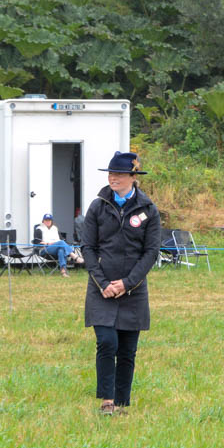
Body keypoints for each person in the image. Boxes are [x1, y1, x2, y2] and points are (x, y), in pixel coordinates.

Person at [81, 151, 162, 415]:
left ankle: (122, 403)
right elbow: (88, 247)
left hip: (133, 290)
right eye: (110, 173)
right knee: (107, 342)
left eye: (118, 174)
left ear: (133, 177)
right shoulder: (98, 206)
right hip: (101, 289)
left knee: (127, 349)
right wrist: (103, 282)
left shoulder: (149, 210)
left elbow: (151, 252)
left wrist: (127, 284)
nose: (113, 178)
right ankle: (107, 401)